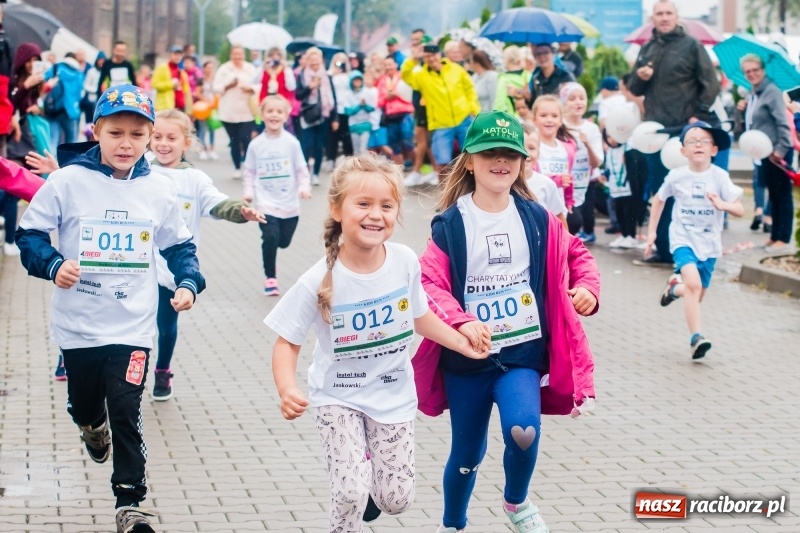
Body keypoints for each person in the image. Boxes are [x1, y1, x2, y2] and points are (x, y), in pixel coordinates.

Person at [264, 152, 490, 533]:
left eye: (386, 206)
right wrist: (287, 389)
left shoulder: (404, 262)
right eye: (363, 204)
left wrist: (460, 341)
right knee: (350, 492)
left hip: (393, 395)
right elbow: (286, 342)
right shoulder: (318, 279)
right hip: (338, 396)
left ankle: (365, 472)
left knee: (396, 499)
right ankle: (352, 485)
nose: (376, 214)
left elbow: (419, 316)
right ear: (337, 208)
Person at [15, 84, 205, 533]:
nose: (126, 144)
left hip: (133, 328)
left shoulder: (159, 189)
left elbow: (180, 245)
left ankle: (130, 503)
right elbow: (30, 235)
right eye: (115, 133)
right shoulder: (67, 182)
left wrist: (188, 282)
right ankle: (89, 425)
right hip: (79, 326)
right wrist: (54, 265)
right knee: (86, 406)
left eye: (137, 135)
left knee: (125, 407)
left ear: (149, 136)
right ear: (96, 130)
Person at [412, 110, 599, 533]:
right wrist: (461, 322)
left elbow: (577, 254)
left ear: (522, 162)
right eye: (489, 153)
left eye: (510, 154)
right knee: (467, 454)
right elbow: (428, 282)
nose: (500, 161)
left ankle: (516, 502)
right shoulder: (451, 225)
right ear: (469, 161)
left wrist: (588, 287)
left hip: (521, 354)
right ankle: (452, 523)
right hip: (468, 359)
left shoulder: (536, 217)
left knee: (523, 429)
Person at [148, 109, 263, 400]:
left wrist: (240, 211)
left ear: (186, 143)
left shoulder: (195, 179)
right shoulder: (141, 168)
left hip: (172, 270)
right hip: (138, 267)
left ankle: (162, 370)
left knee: (166, 326)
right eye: (157, 137)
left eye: (171, 138)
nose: (163, 143)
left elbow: (217, 203)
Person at [628, 0, 720, 266]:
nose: (664, 17)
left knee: (687, 191)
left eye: (669, 13)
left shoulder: (691, 46)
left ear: (677, 17)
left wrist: (698, 115)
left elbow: (711, 84)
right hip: (655, 132)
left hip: (684, 130)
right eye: (659, 14)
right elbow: (634, 88)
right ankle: (664, 250)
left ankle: (691, 250)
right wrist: (641, 77)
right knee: (661, 191)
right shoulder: (648, 47)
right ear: (653, 19)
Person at [646, 122, 742, 360]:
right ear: (683, 151)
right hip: (683, 239)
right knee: (694, 285)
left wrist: (723, 205)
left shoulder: (720, 177)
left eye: (704, 141)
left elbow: (739, 209)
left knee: (695, 294)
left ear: (714, 149)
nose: (698, 144)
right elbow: (659, 199)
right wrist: (652, 232)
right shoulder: (676, 176)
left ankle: (674, 289)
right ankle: (696, 338)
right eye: (692, 141)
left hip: (709, 244)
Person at [242, 95, 312, 296]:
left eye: (279, 111)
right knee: (270, 237)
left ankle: (275, 251)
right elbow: (249, 172)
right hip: (265, 202)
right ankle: (270, 278)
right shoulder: (256, 144)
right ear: (262, 115)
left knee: (283, 241)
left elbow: (301, 170)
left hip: (289, 204)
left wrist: (304, 187)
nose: (274, 115)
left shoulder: (291, 143)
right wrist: (248, 193)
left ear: (286, 116)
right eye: (270, 111)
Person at [738, 54, 794, 253]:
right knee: (774, 194)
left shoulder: (772, 91)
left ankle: (783, 238)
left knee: (782, 195)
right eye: (747, 71)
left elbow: (782, 124)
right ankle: (774, 236)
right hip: (763, 153)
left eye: (755, 70)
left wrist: (781, 150)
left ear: (763, 70)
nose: (751, 74)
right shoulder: (754, 93)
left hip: (777, 152)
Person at [401, 42, 480, 175]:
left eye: (434, 55)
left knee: (472, 154)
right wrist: (413, 59)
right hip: (441, 123)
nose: (431, 59)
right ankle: (446, 188)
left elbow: (470, 89)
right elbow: (405, 75)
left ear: (439, 54)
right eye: (427, 56)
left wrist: (474, 109)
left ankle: (474, 183)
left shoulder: (455, 69)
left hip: (464, 118)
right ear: (424, 58)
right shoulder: (421, 76)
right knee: (442, 162)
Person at [560, 83, 603, 242]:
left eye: (582, 98)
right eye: (572, 99)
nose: (578, 102)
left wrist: (587, 144)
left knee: (579, 220)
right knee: (570, 222)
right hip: (562, 185)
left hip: (584, 183)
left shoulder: (592, 129)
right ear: (563, 103)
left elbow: (596, 163)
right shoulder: (558, 125)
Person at [532, 95, 579, 233]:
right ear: (534, 119)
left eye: (554, 116)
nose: (549, 120)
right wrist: (555, 181)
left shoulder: (567, 148)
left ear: (560, 120)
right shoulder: (532, 148)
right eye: (543, 115)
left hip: (560, 209)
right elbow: (529, 177)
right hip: (538, 208)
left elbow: (568, 179)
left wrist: (569, 201)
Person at [212, 44, 258, 179]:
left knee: (246, 139)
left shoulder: (250, 68)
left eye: (240, 54)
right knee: (234, 141)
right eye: (235, 54)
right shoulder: (224, 69)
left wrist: (249, 88)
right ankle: (237, 167)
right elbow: (216, 88)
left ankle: (248, 167)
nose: (237, 57)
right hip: (228, 112)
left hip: (246, 111)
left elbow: (258, 84)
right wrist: (228, 86)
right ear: (231, 55)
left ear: (244, 55)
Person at [295, 47, 339, 186]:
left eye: (317, 60)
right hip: (307, 115)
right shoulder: (302, 75)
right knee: (306, 145)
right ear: (308, 61)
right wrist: (310, 87)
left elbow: (333, 98)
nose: (314, 63)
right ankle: (305, 173)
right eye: (312, 60)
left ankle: (315, 174)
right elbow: (298, 95)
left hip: (323, 115)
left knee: (319, 146)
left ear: (321, 61)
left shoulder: (326, 76)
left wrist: (335, 118)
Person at [522, 124, 568, 226]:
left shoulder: (546, 184)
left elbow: (559, 218)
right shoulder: (503, 183)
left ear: (539, 154)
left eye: (531, 148)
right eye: (521, 147)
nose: (526, 153)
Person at [376, 54, 415, 166]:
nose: (388, 67)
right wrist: (386, 97)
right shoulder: (382, 81)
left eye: (390, 64)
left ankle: (415, 167)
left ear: (396, 65)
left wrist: (398, 95)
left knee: (408, 141)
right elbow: (379, 102)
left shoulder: (404, 77)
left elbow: (410, 96)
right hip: (390, 116)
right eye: (386, 65)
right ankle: (399, 169)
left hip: (405, 114)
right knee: (394, 145)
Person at [43, 53, 84, 148]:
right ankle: (69, 158)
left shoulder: (56, 68)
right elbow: (80, 95)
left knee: (53, 141)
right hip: (72, 111)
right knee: (71, 142)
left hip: (55, 109)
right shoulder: (79, 74)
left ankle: (52, 157)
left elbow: (43, 79)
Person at [341, 71, 379, 155]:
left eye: (359, 80)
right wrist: (359, 105)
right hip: (354, 125)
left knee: (363, 149)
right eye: (355, 80)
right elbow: (348, 111)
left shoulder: (367, 92)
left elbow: (372, 108)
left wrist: (365, 105)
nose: (357, 82)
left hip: (365, 124)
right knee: (356, 150)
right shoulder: (347, 94)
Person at [152, 46, 192, 113]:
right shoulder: (162, 68)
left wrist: (189, 109)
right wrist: (171, 84)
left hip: (180, 107)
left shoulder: (182, 72)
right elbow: (155, 84)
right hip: (165, 107)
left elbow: (186, 91)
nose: (178, 57)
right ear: (170, 55)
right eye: (175, 54)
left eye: (180, 55)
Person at [494, 46, 530, 116]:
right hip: (528, 117)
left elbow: (499, 103)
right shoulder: (529, 76)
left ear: (506, 60)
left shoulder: (503, 79)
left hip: (511, 118)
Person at [196, 60, 218, 160]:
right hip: (203, 107)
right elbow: (197, 93)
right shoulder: (201, 80)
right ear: (204, 69)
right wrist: (206, 100)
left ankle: (212, 150)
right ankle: (202, 150)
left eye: (211, 68)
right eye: (207, 67)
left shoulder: (215, 80)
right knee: (202, 129)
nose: (209, 70)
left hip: (213, 107)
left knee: (212, 129)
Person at [81, 52, 105, 132]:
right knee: (90, 120)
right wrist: (96, 90)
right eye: (100, 60)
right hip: (92, 99)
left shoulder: (105, 72)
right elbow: (86, 85)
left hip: (103, 98)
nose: (101, 62)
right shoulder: (92, 71)